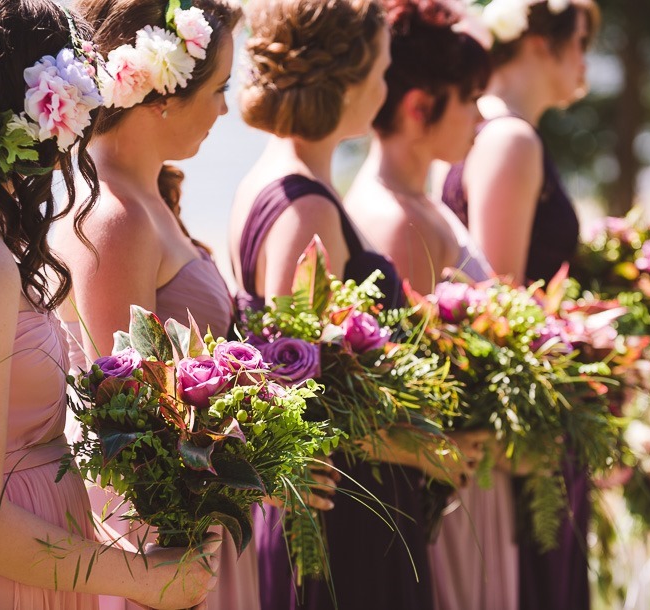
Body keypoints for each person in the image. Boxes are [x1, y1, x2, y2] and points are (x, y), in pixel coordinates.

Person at [0, 1, 219, 609]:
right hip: (0, 577)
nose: (77, 120)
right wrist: (145, 580)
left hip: (37, 556)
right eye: (70, 91)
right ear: (14, 107)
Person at [229, 1, 482, 608]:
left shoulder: (291, 185)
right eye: (382, 66)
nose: (387, 83)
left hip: (355, 511)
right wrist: (420, 448)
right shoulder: (304, 207)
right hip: (340, 526)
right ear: (349, 78)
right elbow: (301, 406)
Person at [51, 1, 255, 608]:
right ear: (162, 92)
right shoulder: (113, 218)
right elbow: (126, 424)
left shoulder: (144, 198)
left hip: (193, 517)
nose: (225, 108)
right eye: (219, 88)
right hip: (154, 540)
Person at [343, 2, 518, 608]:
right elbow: (409, 381)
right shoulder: (390, 220)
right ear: (420, 105)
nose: (479, 115)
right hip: (436, 491)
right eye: (468, 97)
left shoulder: (422, 202)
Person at [439, 1, 600, 609]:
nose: (587, 61)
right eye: (580, 41)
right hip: (520, 433)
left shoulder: (486, 127)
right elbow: (499, 300)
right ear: (539, 42)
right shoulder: (508, 139)